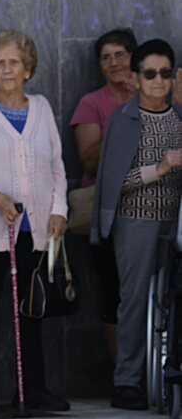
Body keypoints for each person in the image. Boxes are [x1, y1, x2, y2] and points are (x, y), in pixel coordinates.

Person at [0, 30, 70, 414]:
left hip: (34, 229)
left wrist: (59, 211)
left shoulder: (41, 108)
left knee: (32, 311)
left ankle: (34, 388)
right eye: (0, 62)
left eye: (14, 62)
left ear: (28, 69)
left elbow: (57, 167)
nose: (7, 69)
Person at [91, 39, 182, 411]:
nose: (158, 81)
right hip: (136, 222)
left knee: (172, 302)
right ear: (136, 77)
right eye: (150, 74)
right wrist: (158, 169)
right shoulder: (125, 118)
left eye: (164, 73)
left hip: (175, 222)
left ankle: (166, 376)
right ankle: (127, 381)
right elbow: (114, 182)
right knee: (134, 301)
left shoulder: (179, 117)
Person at [70, 28, 138, 361]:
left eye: (120, 55)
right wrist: (124, 121)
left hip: (152, 208)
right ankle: (124, 375)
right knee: (113, 293)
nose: (113, 63)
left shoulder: (156, 97)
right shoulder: (92, 103)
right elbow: (90, 159)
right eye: (106, 57)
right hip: (107, 210)